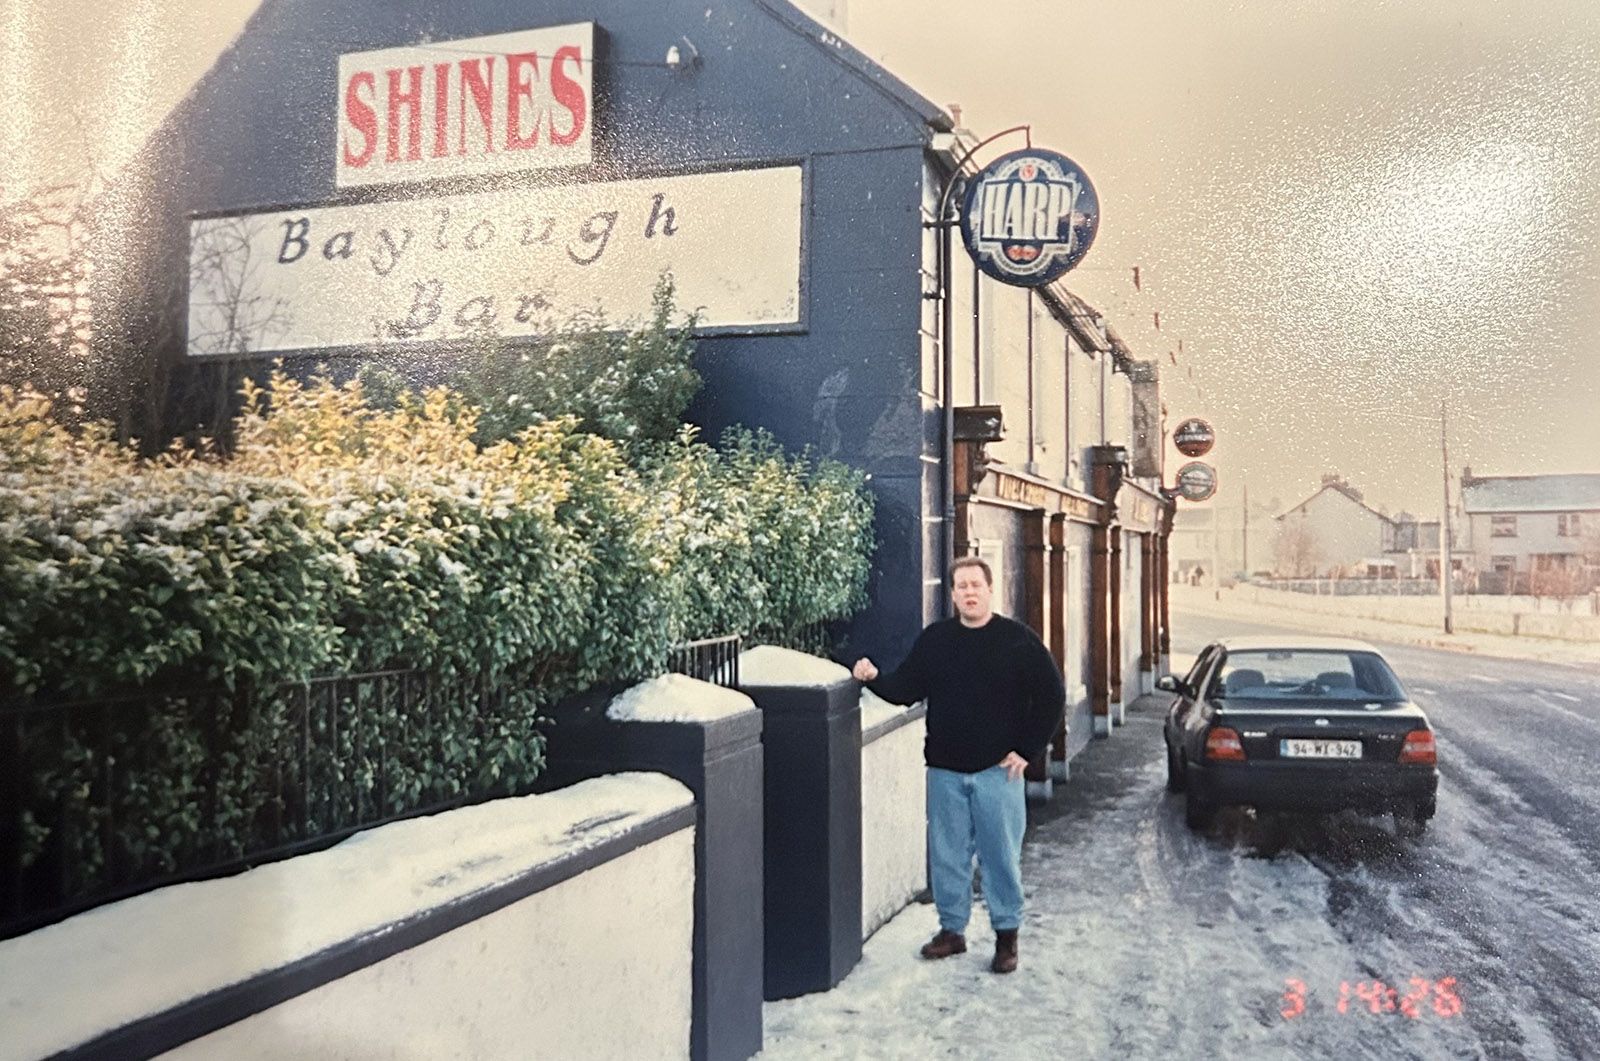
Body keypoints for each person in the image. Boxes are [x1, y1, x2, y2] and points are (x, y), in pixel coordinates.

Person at [852, 556, 1065, 974]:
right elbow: (905, 688)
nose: (969, 592)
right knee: (948, 856)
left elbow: (1051, 696)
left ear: (989, 590)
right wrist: (873, 676)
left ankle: (1007, 937)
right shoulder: (937, 641)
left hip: (997, 772)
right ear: (952, 594)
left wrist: (1027, 749)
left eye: (976, 585)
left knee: (1000, 856)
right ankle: (952, 931)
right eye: (961, 586)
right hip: (946, 770)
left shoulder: (1017, 640)